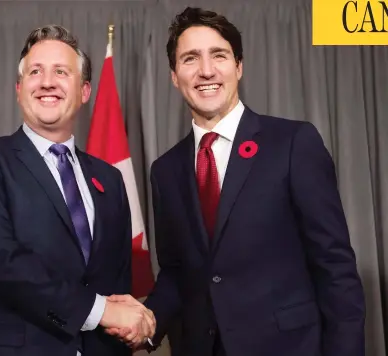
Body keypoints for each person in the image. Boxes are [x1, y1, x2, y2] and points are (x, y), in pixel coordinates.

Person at [111, 6, 366, 356]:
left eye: (219, 55)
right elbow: (175, 272)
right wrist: (147, 324)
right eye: (190, 59)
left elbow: (335, 267)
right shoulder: (165, 170)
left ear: (238, 66)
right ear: (174, 75)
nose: (206, 70)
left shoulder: (293, 143)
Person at [0, 25, 155, 356]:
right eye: (35, 72)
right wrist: (102, 311)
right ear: (19, 88)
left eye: (61, 72)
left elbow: (117, 283)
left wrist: (130, 323)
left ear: (85, 91)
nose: (47, 82)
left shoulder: (110, 179)